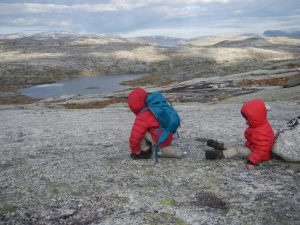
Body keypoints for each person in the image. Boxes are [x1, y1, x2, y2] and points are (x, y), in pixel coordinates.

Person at [205, 99, 275, 170]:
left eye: (247, 119)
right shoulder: (259, 124)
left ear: (255, 117)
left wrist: (251, 161)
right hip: (252, 148)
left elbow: (262, 150)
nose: (246, 121)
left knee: (237, 149)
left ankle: (220, 155)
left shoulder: (262, 131)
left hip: (257, 155)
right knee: (235, 144)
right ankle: (220, 146)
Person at [127, 87, 183, 160]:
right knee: (148, 127)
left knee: (140, 131)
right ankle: (162, 144)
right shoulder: (155, 106)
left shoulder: (143, 115)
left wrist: (135, 151)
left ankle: (145, 150)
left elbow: (135, 136)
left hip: (161, 139)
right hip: (169, 134)